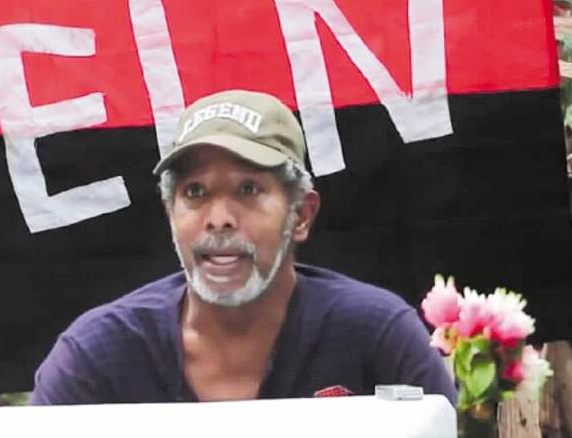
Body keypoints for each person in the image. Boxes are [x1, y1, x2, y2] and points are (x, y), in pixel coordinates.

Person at [30, 89, 457, 405]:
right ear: (170, 214)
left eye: (248, 188)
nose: (219, 218)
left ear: (301, 215)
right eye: (195, 192)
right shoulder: (98, 356)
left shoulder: (377, 338)